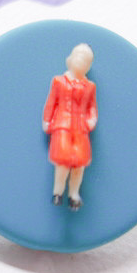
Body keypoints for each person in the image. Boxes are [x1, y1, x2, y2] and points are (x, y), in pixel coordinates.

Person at [42, 43, 97, 210]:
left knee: (79, 163)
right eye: (78, 58)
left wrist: (92, 119)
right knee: (63, 161)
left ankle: (74, 194)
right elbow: (51, 102)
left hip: (81, 128)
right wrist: (47, 120)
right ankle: (58, 192)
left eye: (85, 60)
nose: (81, 62)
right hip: (62, 126)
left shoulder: (90, 86)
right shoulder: (59, 81)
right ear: (71, 59)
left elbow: (92, 106)